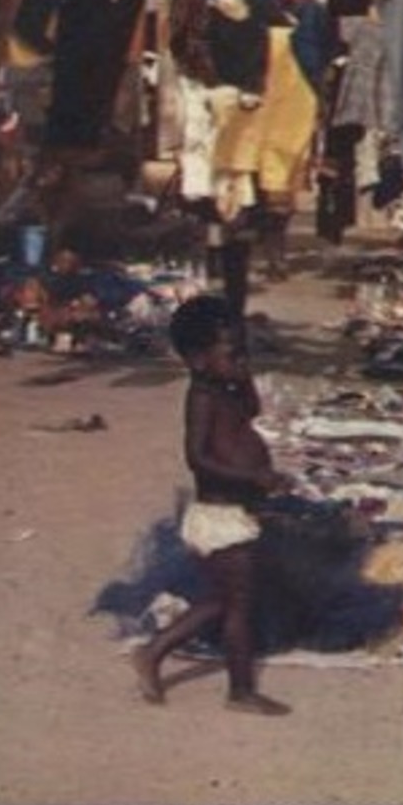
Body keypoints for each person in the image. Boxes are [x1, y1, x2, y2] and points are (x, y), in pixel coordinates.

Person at [131, 295, 293, 715]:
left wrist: (242, 374)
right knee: (235, 605)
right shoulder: (202, 396)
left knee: (225, 600)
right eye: (232, 353)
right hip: (217, 516)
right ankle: (238, 690)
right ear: (199, 359)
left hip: (236, 513)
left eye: (245, 352)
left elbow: (253, 409)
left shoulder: (229, 388)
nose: (241, 360)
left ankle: (155, 652)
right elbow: (197, 458)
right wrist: (252, 477)